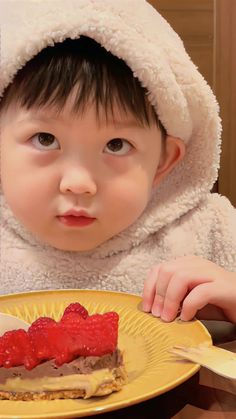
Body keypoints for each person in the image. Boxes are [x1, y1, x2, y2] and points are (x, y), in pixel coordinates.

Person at [0, 0, 235, 324]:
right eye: (45, 139)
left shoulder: (209, 231)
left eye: (116, 144)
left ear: (164, 161)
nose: (79, 183)